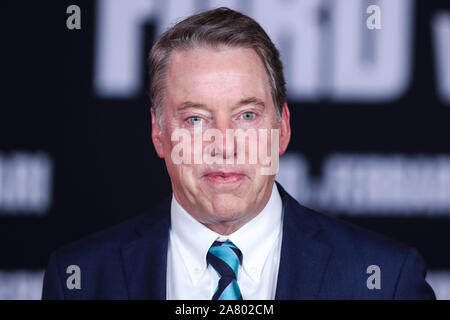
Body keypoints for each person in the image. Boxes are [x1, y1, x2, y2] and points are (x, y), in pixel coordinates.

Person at [42, 7, 435, 300]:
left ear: (282, 129)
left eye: (246, 115)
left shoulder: (385, 279)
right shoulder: (81, 279)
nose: (224, 144)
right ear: (158, 132)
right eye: (196, 119)